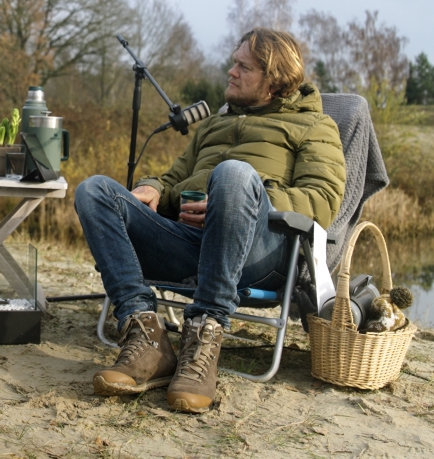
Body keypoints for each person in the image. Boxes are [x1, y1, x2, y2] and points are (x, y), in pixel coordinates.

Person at [74, 28, 346, 413]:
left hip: (258, 256)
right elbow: (173, 179)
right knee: (94, 190)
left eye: (244, 67)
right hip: (191, 246)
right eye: (234, 63)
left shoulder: (314, 126)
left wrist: (239, 201)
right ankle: (145, 335)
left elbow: (322, 200)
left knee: (234, 174)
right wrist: (153, 187)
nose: (231, 72)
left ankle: (204, 334)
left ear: (275, 81)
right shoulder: (213, 125)